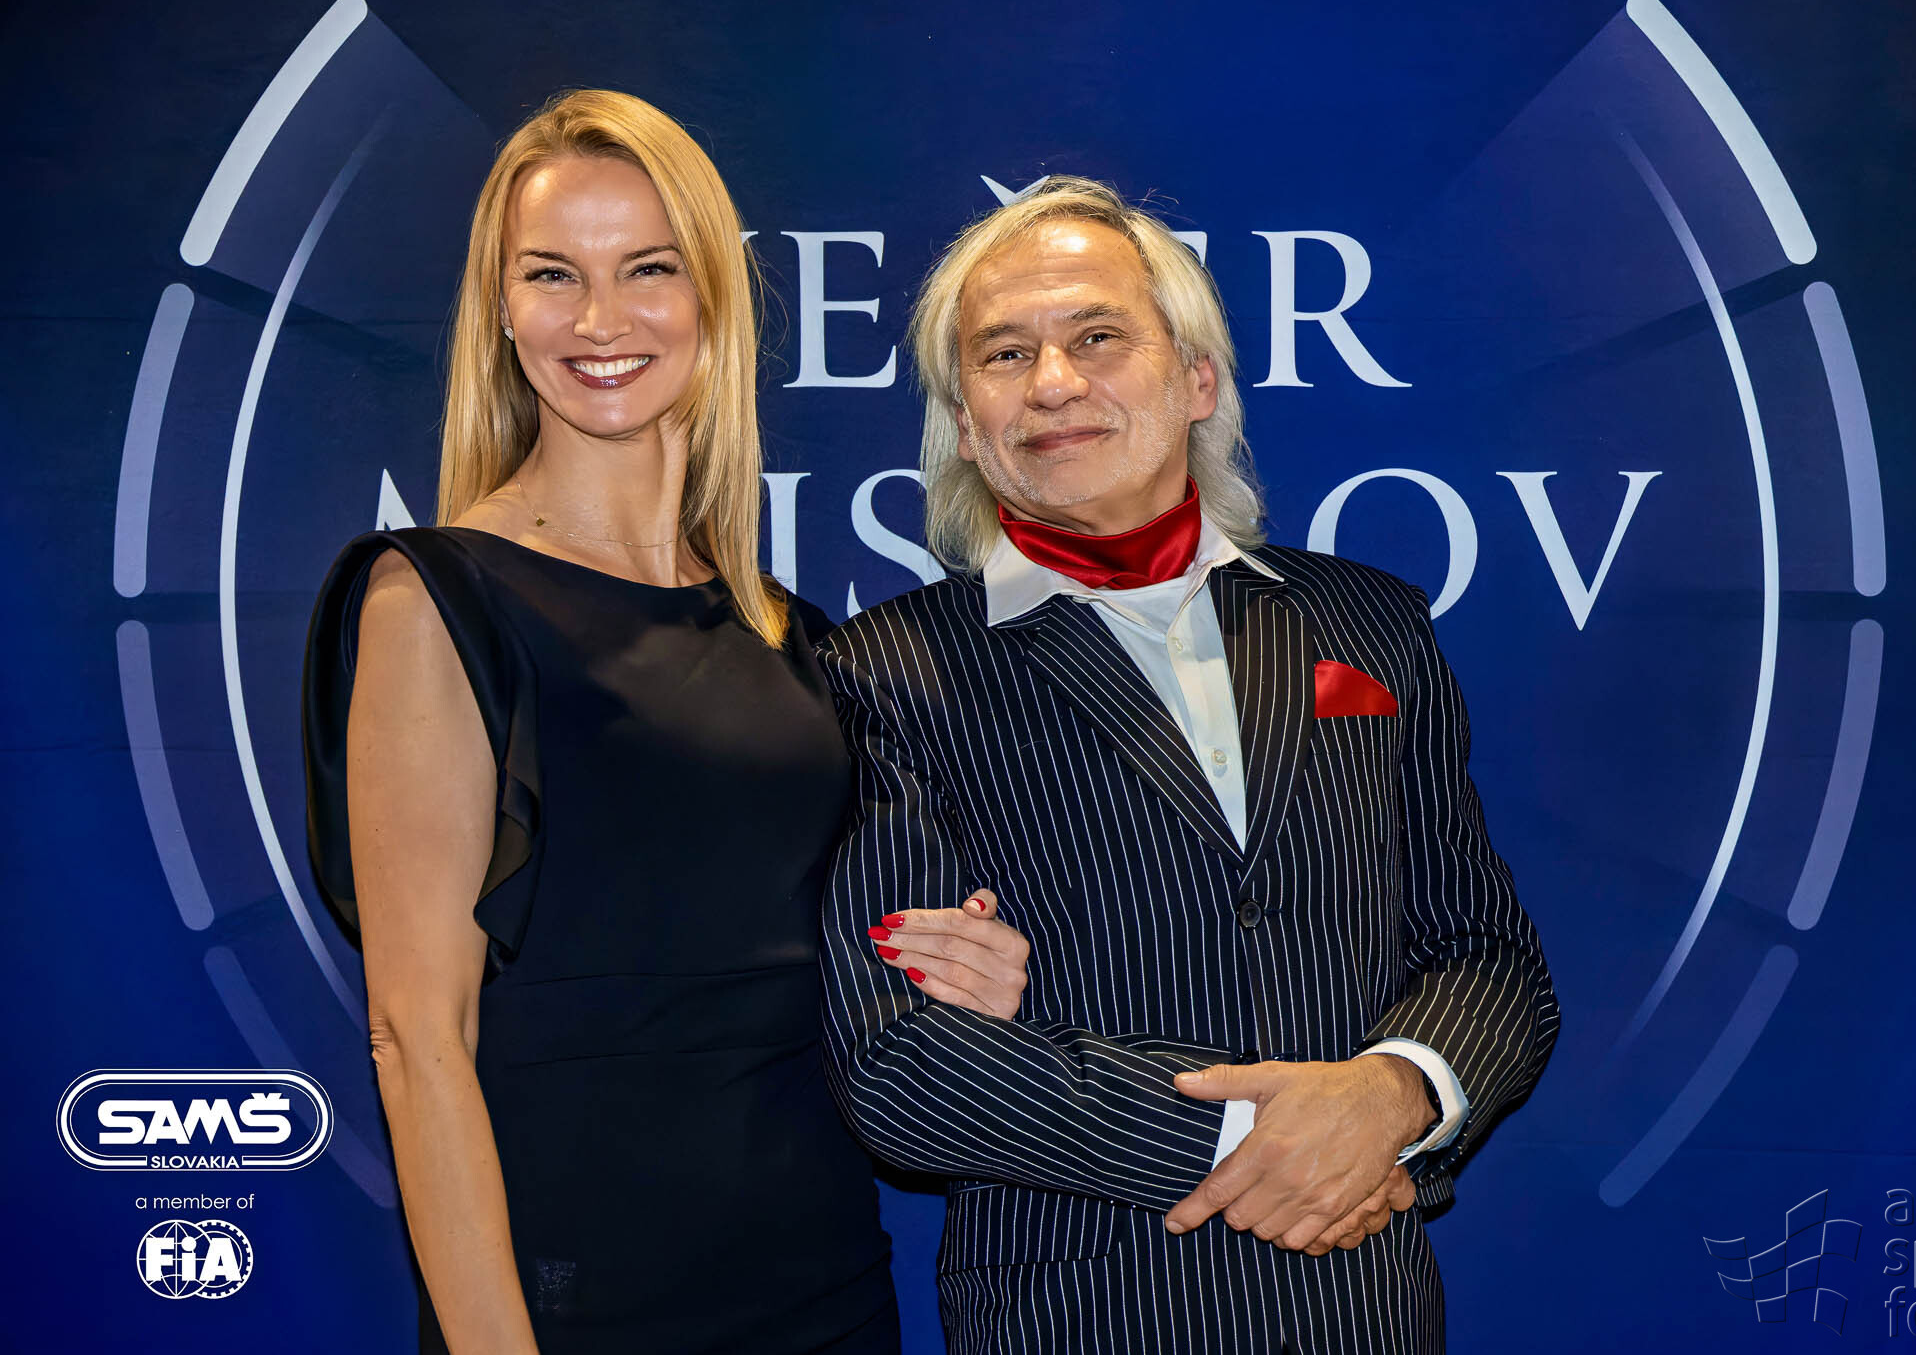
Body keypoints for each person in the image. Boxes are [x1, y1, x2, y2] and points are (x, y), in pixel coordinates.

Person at [299, 89, 1027, 1354]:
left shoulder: (790, 635)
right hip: (579, 1294)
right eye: (551, 274)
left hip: (824, 1280)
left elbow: (831, 958)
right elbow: (419, 1039)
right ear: (500, 310)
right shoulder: (437, 600)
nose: (599, 320)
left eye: (646, 267)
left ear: (709, 298)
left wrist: (965, 964)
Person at [813, 177, 1561, 1354]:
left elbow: (1488, 957)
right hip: (1079, 1316)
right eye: (1003, 354)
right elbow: (900, 1063)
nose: (1051, 382)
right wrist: (1274, 1136)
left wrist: (1393, 1093)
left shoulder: (1370, 626)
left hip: (1362, 1309)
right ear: (964, 422)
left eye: (1095, 337)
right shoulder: (879, 673)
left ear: (1197, 378)